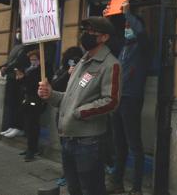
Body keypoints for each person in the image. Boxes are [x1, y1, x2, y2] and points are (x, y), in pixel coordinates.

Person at [38, 17, 121, 195]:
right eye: (84, 31)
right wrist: (50, 95)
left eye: (91, 32)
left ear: (104, 37)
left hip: (88, 142)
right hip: (69, 139)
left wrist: (79, 113)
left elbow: (111, 101)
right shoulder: (82, 61)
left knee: (90, 189)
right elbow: (69, 98)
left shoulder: (110, 64)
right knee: (74, 188)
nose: (85, 35)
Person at [106, 0, 150, 195]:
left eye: (128, 26)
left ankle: (137, 188)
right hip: (118, 99)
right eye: (125, 27)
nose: (127, 29)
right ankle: (117, 182)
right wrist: (106, 17)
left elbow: (140, 31)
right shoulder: (124, 46)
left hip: (131, 98)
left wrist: (128, 14)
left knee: (134, 145)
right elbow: (108, 37)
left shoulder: (142, 46)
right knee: (119, 144)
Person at [52, 46, 84, 186]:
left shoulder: (85, 70)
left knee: (77, 148)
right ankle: (67, 174)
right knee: (65, 147)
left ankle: (78, 174)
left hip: (77, 114)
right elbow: (54, 86)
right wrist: (67, 74)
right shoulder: (62, 71)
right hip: (62, 114)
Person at [0, 27, 30, 138]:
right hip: (11, 78)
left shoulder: (26, 47)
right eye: (17, 31)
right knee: (11, 103)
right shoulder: (16, 46)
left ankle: (18, 127)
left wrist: (6, 68)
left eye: (20, 31)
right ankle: (11, 126)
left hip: (18, 79)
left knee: (18, 104)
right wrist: (3, 66)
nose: (18, 34)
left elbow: (17, 61)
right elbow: (10, 61)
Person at [18, 49, 46, 161]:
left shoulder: (42, 69)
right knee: (28, 125)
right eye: (31, 59)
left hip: (36, 100)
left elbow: (35, 84)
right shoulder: (29, 69)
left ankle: (32, 150)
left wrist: (24, 78)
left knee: (33, 125)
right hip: (28, 99)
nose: (32, 61)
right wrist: (20, 79)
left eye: (34, 59)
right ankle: (30, 147)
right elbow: (25, 84)